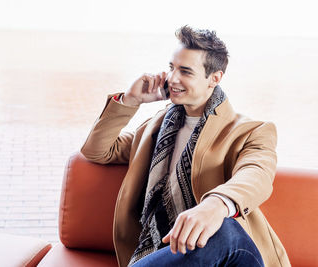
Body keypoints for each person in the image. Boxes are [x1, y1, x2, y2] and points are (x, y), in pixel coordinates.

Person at [81, 26, 290, 267]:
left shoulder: (249, 131)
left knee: (225, 229)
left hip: (230, 257)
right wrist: (130, 100)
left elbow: (257, 174)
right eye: (172, 68)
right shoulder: (154, 131)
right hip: (169, 255)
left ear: (215, 78)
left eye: (186, 71)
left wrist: (215, 206)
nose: (173, 78)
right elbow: (96, 150)